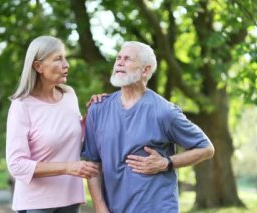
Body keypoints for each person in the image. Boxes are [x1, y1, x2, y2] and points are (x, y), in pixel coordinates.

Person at [81, 41, 215, 213]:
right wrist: (100, 207)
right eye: (118, 58)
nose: (120, 62)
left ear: (145, 70)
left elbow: (206, 149)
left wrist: (167, 163)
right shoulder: (97, 109)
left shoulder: (164, 111)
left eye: (128, 59)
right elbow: (93, 163)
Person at [6, 35, 100, 213]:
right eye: (58, 59)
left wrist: (93, 113)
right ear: (38, 66)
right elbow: (16, 165)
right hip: (37, 204)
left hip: (70, 199)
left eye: (65, 58)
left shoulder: (69, 95)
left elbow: (77, 140)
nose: (67, 64)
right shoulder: (22, 106)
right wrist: (68, 167)